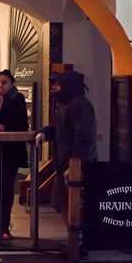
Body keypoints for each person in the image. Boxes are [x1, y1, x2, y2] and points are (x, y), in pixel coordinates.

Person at [36, 70, 97, 223]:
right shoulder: (67, 104)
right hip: (66, 162)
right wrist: (44, 132)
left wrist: (75, 164)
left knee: (68, 201)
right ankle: (76, 232)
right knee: (61, 200)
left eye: (58, 84)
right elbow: (58, 127)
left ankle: (77, 233)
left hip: (75, 163)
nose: (55, 88)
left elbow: (83, 137)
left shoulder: (79, 105)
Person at [0, 69, 28, 240]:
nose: (0, 86)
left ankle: (4, 226)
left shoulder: (18, 99)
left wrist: (3, 127)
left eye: (4, 82)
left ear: (12, 84)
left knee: (7, 188)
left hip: (11, 150)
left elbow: (22, 124)